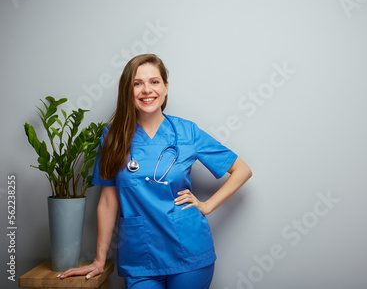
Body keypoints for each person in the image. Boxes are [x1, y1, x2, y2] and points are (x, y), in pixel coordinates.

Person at [57, 54, 252, 288]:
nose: (146, 90)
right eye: (137, 83)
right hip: (141, 255)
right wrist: (99, 260)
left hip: (189, 252)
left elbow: (241, 170)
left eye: (154, 82)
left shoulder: (186, 132)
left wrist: (207, 205)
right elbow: (108, 202)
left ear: (166, 87)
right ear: (127, 91)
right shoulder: (113, 137)